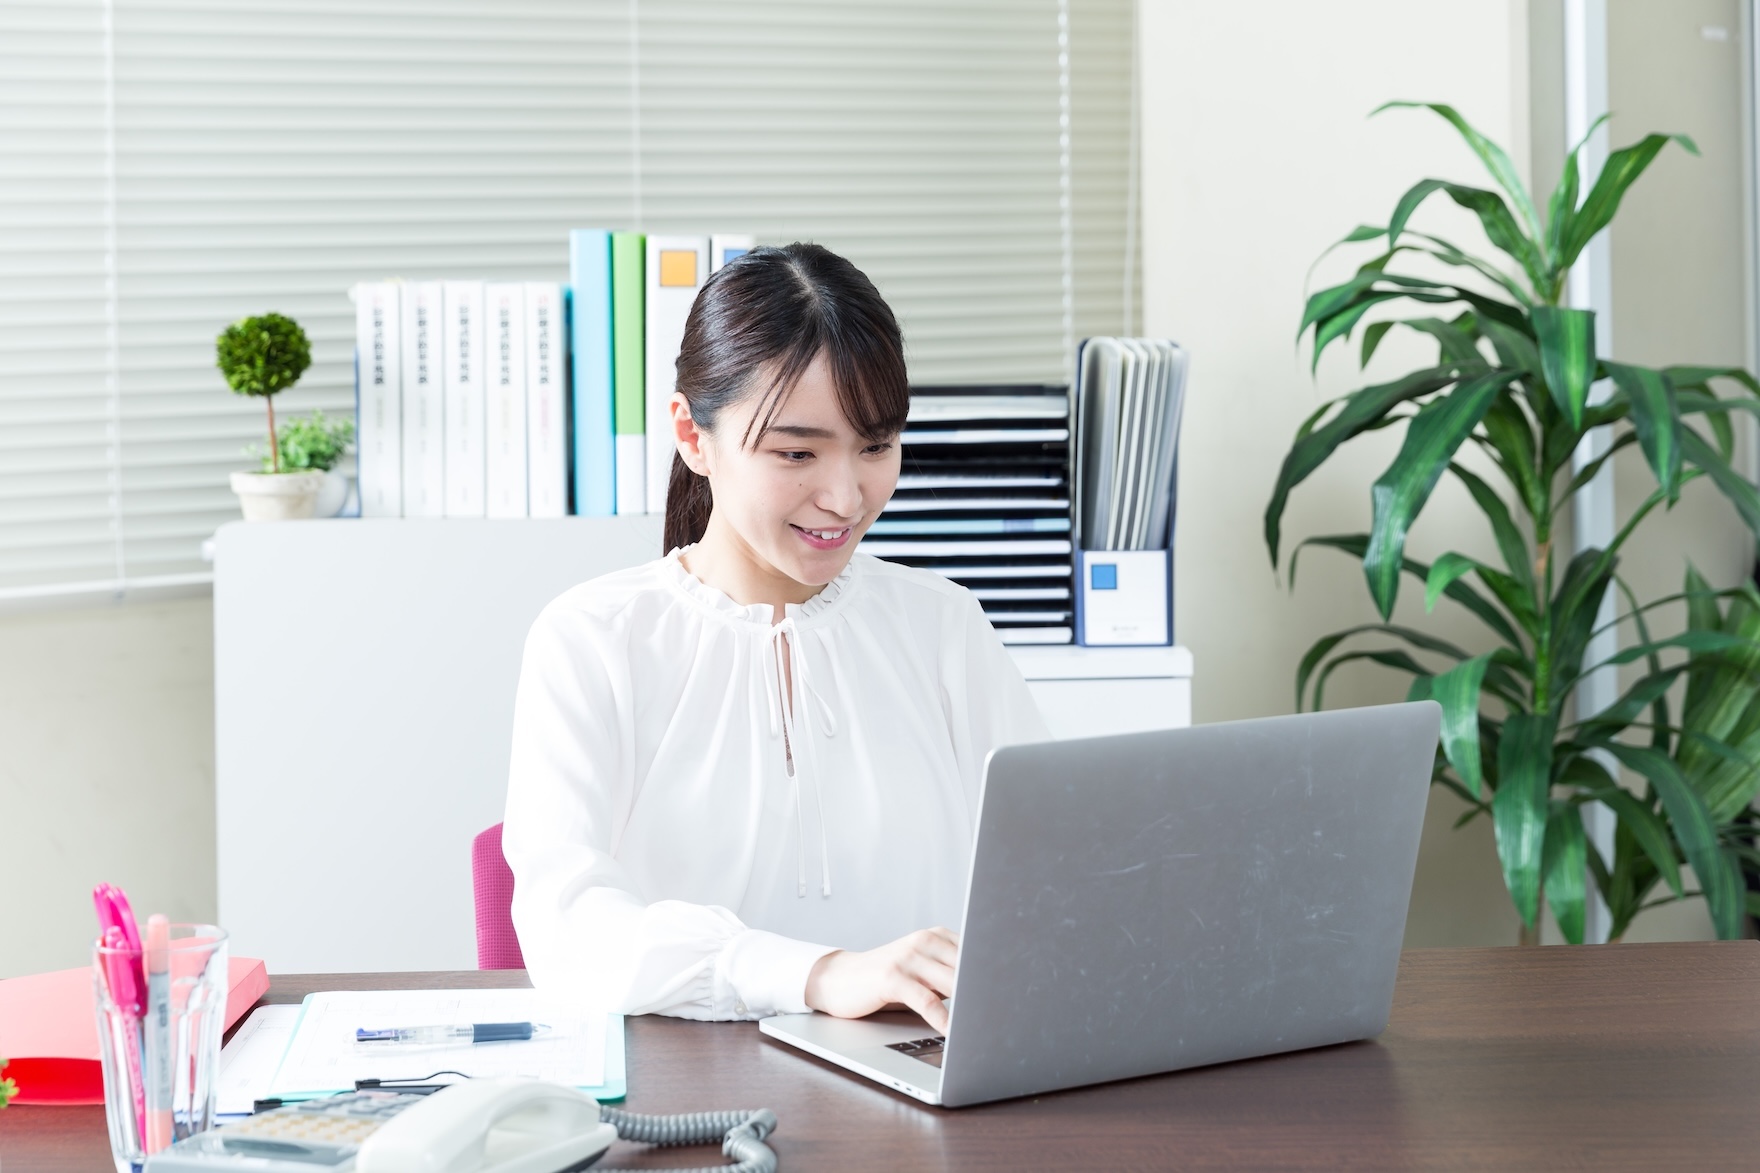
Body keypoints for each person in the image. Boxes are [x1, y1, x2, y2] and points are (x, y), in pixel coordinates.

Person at [503, 242, 1050, 1033]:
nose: (846, 497)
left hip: (923, 1071)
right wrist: (815, 973)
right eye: (797, 452)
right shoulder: (593, 639)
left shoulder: (944, 626)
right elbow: (569, 928)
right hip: (689, 1080)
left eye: (876, 446)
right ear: (693, 436)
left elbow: (1053, 876)